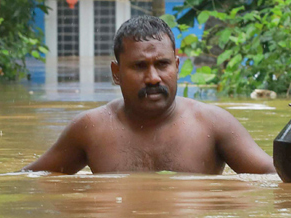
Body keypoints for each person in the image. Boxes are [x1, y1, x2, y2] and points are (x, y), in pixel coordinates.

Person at [25, 15, 277, 175]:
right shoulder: (90, 129)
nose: (154, 77)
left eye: (163, 64)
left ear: (177, 68)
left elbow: (273, 177)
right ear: (116, 72)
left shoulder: (214, 124)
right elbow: (30, 179)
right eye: (139, 66)